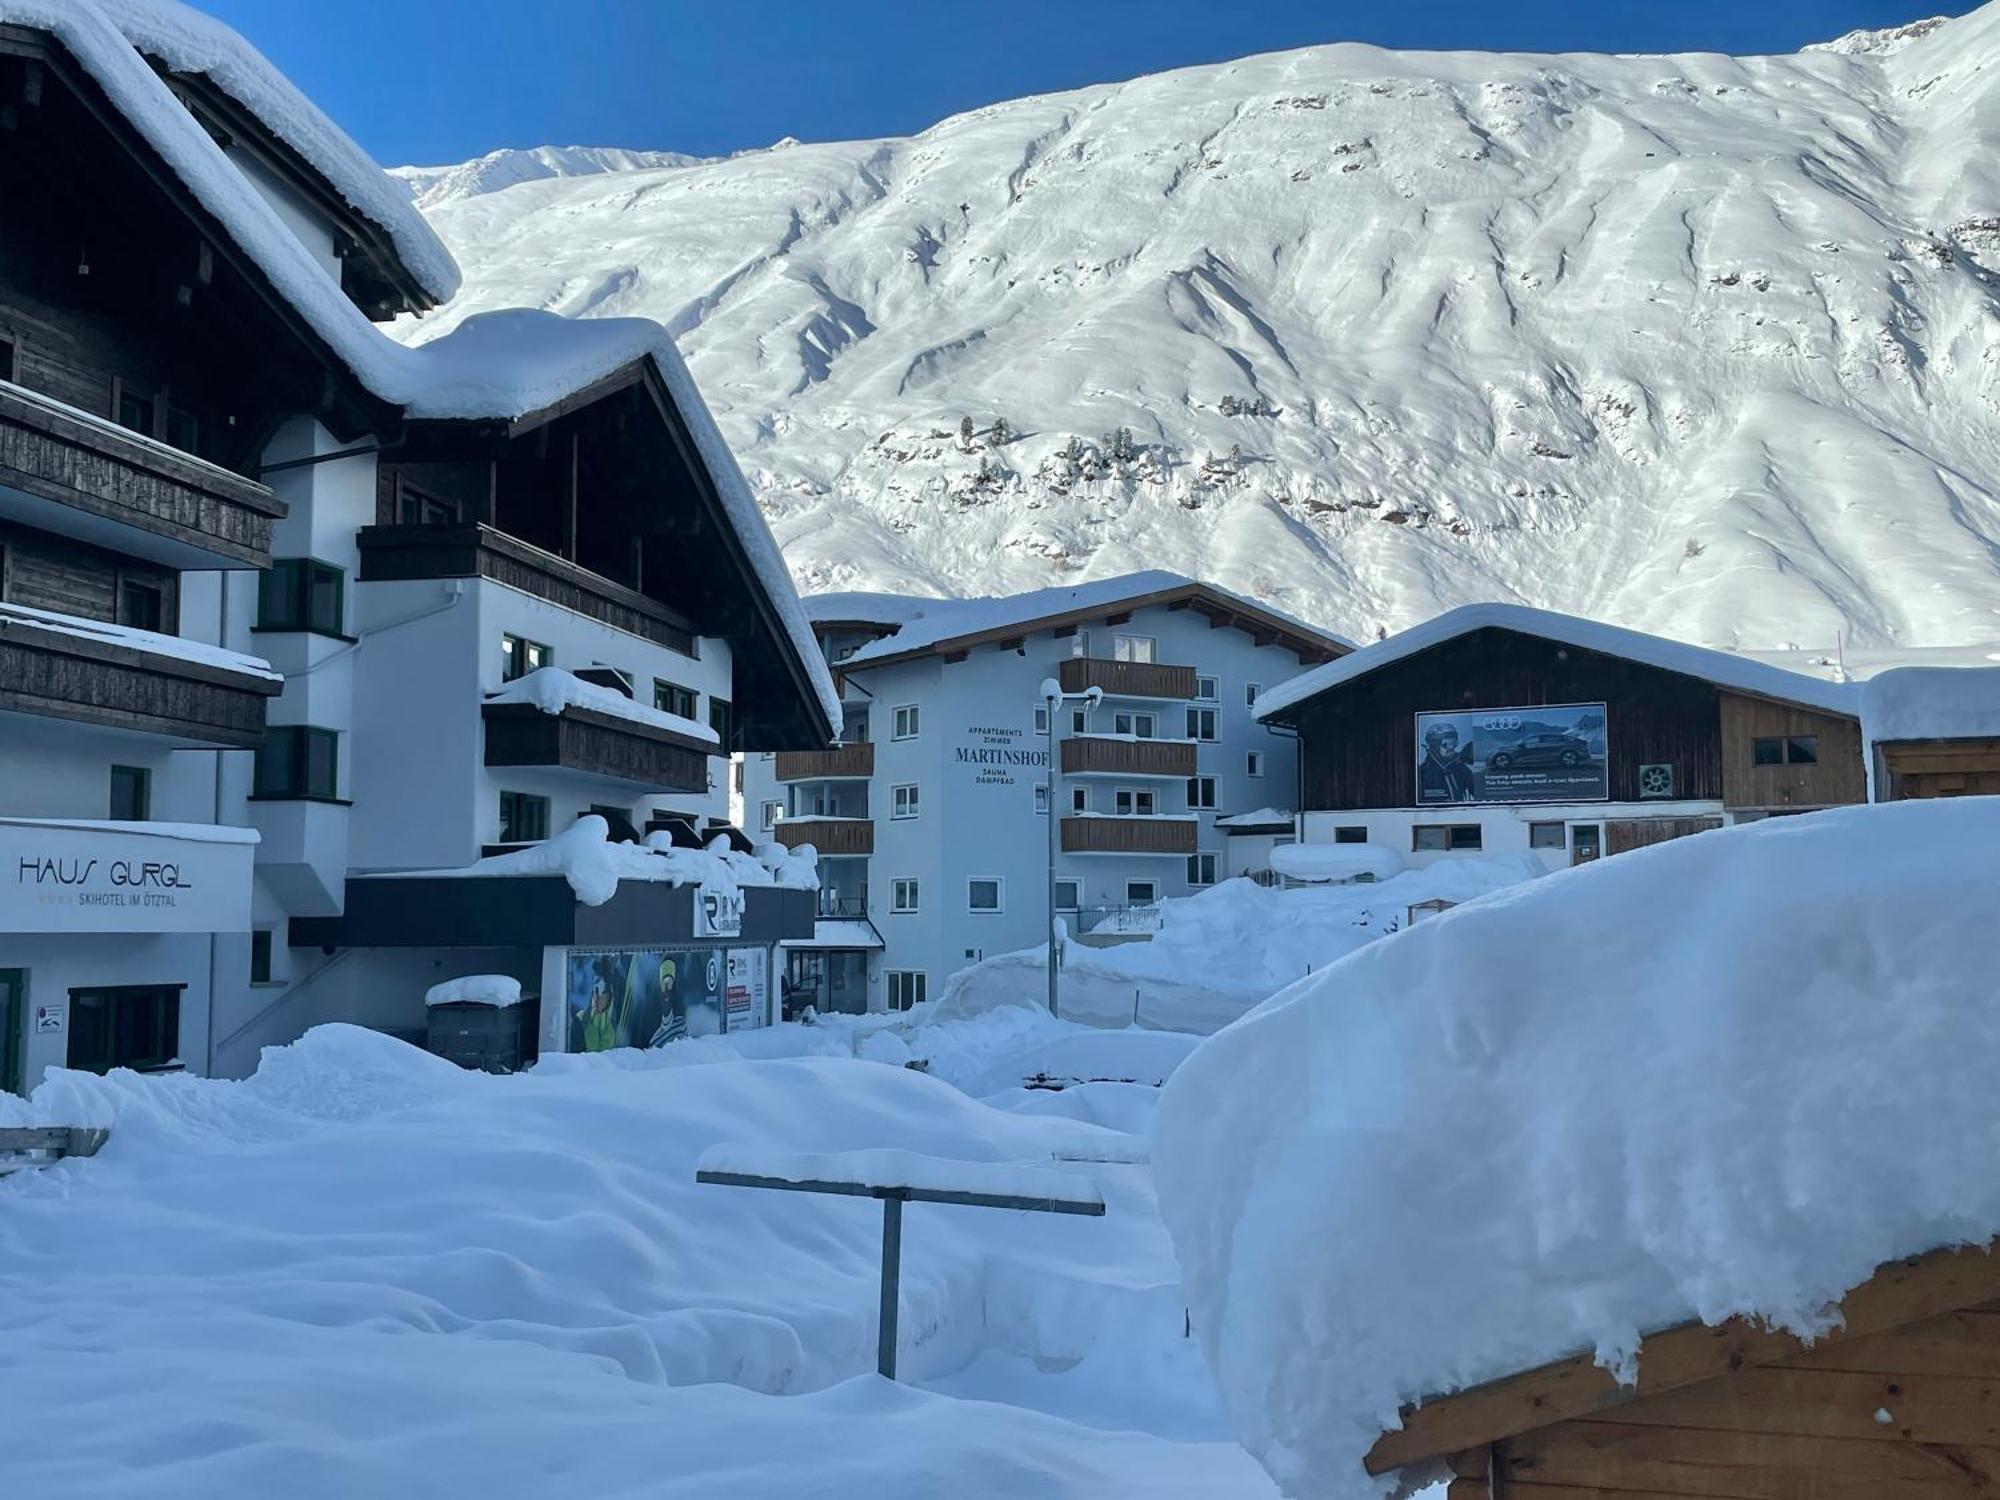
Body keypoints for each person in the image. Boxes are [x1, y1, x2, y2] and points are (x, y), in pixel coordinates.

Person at [1419, 721, 1477, 803]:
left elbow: (1478, 794)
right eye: (1447, 743)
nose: (1453, 747)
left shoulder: (1463, 770)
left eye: (1454, 742)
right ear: (1434, 745)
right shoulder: (1423, 773)